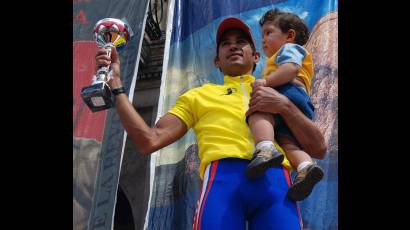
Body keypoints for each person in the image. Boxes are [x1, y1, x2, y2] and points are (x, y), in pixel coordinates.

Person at [94, 17, 326, 230]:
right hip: (222, 183)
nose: (233, 46)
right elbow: (149, 141)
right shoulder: (197, 96)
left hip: (276, 184)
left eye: (241, 41)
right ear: (217, 60)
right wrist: (116, 85)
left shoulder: (278, 90)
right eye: (225, 43)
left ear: (256, 56)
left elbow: (318, 148)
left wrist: (284, 105)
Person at [245, 8, 325, 202]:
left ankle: (265, 148)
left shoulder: (289, 49)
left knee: (257, 111)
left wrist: (266, 82)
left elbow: (290, 70)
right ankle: (306, 168)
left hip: (288, 91)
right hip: (299, 101)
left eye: (268, 33)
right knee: (289, 143)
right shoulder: (284, 53)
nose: (263, 40)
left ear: (289, 35)